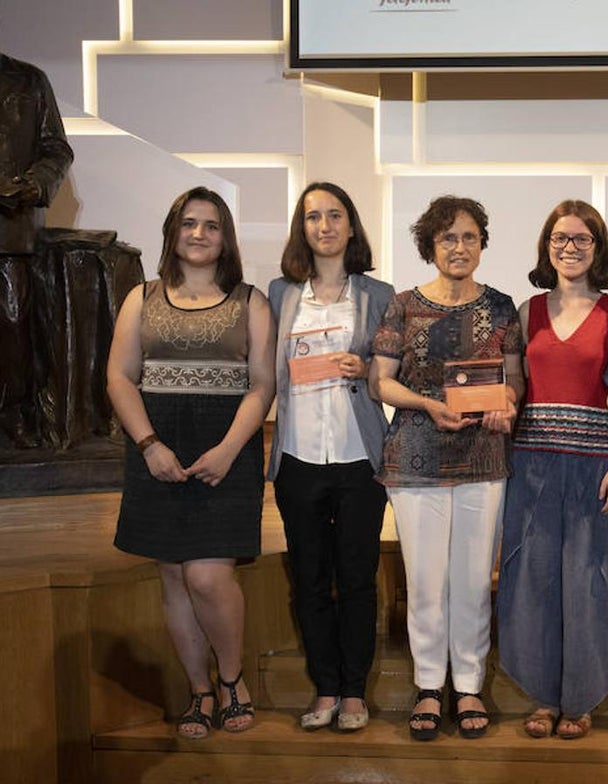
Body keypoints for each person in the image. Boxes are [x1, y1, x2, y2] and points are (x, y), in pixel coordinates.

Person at [108, 187, 276, 738]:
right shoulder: (141, 296)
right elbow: (119, 378)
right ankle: (198, 691)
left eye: (211, 225)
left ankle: (231, 680)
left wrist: (228, 449)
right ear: (172, 233)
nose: (199, 234)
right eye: (189, 224)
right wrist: (149, 445)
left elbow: (262, 383)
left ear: (225, 236)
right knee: (175, 577)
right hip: (157, 446)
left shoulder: (250, 300)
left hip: (226, 448)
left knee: (207, 574)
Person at [369, 195, 524, 741]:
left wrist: (506, 401)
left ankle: (470, 684)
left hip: (484, 457)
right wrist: (428, 404)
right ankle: (430, 684)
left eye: (469, 237)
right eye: (448, 238)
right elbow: (379, 380)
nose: (459, 247)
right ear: (430, 246)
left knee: (475, 577)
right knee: (427, 579)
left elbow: (514, 380)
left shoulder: (503, 307)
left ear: (482, 243)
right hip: (415, 455)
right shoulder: (404, 305)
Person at [496, 200, 608, 741]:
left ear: (597, 248)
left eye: (581, 239)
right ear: (546, 247)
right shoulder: (525, 310)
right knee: (533, 577)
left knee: (588, 580)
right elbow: (514, 383)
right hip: (532, 464)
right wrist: (499, 402)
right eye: (560, 238)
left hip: (595, 462)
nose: (569, 248)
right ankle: (543, 696)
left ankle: (581, 697)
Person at [268, 183, 394, 732]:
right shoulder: (277, 293)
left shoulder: (380, 294)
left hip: (358, 456)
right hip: (297, 455)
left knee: (359, 578)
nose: (324, 225)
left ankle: (354, 692)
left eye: (334, 215)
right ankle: (324, 687)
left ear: (350, 225)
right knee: (311, 579)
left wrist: (365, 369)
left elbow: (399, 373)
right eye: (313, 216)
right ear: (303, 227)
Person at [0, 52, 74, 448]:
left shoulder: (28, 80)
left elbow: (56, 149)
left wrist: (32, 185)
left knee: (14, 326)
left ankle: (17, 412)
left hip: (9, 229)